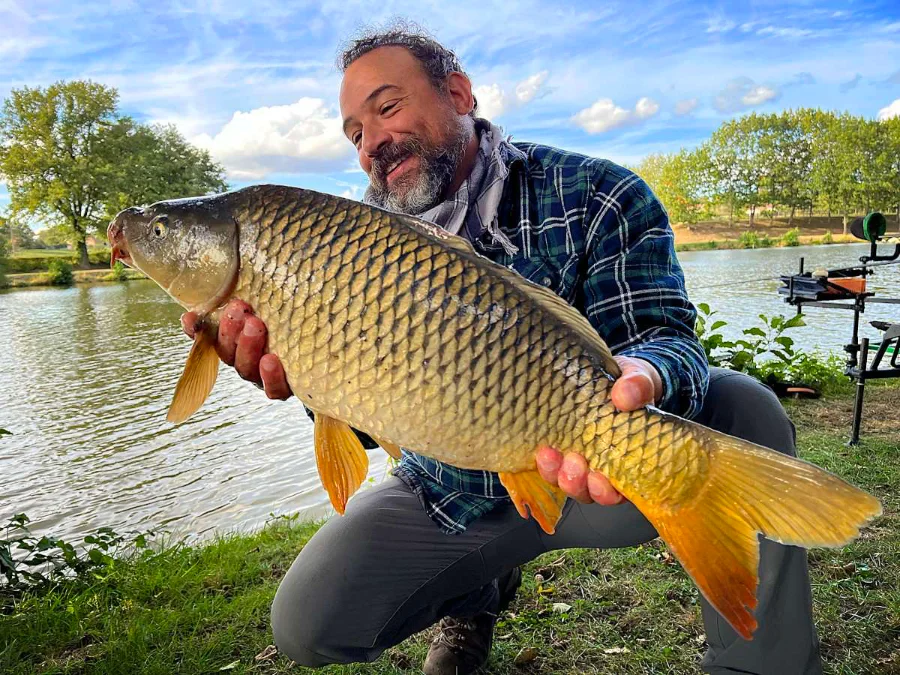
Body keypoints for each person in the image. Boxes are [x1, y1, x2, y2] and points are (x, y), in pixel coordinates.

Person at [182, 26, 822, 675]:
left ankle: (761, 665)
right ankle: (475, 591)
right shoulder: (340, 244)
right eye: (354, 132)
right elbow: (365, 433)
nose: (372, 141)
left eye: (387, 107)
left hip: (586, 470)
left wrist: (644, 375)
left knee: (743, 408)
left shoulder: (601, 193)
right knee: (307, 623)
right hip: (450, 490)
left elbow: (666, 337)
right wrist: (301, 382)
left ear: (459, 92)